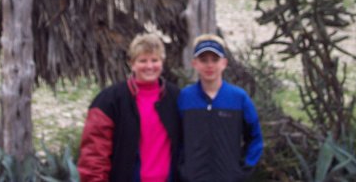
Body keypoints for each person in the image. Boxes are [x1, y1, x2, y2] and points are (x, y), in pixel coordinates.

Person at [77, 33, 180, 182]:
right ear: (132, 63)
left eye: (154, 60)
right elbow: (94, 154)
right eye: (143, 61)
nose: (149, 66)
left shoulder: (176, 97)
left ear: (162, 62)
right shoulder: (109, 101)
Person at [178, 33, 263, 182]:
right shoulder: (185, 97)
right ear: (195, 63)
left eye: (215, 59)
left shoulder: (238, 98)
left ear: (224, 63)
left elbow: (255, 137)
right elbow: (175, 138)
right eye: (203, 60)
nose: (209, 65)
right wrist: (182, 169)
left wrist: (243, 168)